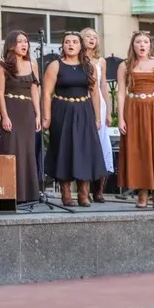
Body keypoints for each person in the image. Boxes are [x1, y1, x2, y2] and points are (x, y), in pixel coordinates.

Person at [42, 31, 106, 207]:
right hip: (62, 110)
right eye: (67, 42)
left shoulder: (88, 66)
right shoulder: (55, 65)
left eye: (75, 42)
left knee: (84, 150)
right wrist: (46, 116)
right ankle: (66, 193)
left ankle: (84, 194)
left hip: (84, 110)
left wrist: (98, 118)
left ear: (80, 46)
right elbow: (46, 93)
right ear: (62, 45)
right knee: (64, 149)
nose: (71, 45)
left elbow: (94, 93)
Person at [117, 31, 154, 209]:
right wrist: (120, 119)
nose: (142, 45)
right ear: (132, 45)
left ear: (150, 45)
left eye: (145, 42)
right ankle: (142, 192)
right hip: (133, 109)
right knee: (137, 150)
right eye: (138, 42)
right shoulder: (124, 65)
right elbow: (120, 93)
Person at [0, 31, 41, 203]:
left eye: (26, 41)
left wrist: (38, 114)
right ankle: (9, 193)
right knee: (11, 149)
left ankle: (27, 194)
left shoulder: (32, 64)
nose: (24, 44)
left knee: (28, 151)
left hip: (27, 111)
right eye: (20, 41)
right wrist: (4, 116)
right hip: (11, 109)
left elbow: (34, 90)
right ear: (11, 45)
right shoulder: (2, 66)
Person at [81, 27, 113, 202]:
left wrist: (108, 111)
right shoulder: (77, 59)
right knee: (85, 143)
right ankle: (83, 188)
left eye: (95, 37)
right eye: (88, 36)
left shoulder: (101, 61)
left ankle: (98, 189)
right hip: (81, 101)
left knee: (101, 143)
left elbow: (103, 87)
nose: (92, 39)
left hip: (98, 103)